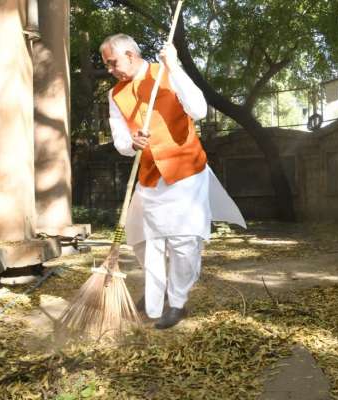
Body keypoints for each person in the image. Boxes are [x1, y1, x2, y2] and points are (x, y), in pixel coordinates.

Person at [100, 33, 246, 329]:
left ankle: (177, 301)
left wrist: (175, 67)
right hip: (149, 175)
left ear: (130, 54)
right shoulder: (115, 94)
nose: (109, 69)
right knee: (144, 240)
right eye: (106, 64)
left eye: (112, 62)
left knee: (183, 243)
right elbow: (119, 139)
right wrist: (132, 143)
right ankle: (155, 296)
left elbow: (199, 110)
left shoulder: (167, 71)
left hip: (185, 171)